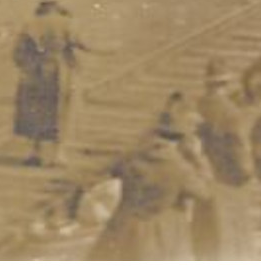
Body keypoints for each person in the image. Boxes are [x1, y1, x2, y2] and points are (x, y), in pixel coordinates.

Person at [88, 96, 214, 261]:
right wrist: (199, 158)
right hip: (159, 236)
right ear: (182, 138)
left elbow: (106, 171)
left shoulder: (132, 156)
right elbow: (206, 193)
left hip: (123, 230)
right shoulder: (180, 168)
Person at [13, 0, 85, 167]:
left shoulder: (30, 23)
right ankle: (58, 154)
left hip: (36, 72)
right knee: (61, 110)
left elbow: (17, 53)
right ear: (57, 4)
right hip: (61, 72)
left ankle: (35, 152)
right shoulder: (67, 23)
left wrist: (28, 66)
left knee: (35, 110)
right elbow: (80, 43)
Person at [193, 61, 257, 261]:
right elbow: (239, 148)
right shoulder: (231, 113)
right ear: (226, 83)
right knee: (232, 227)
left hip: (205, 172)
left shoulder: (199, 105)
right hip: (229, 178)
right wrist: (248, 172)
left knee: (206, 225)